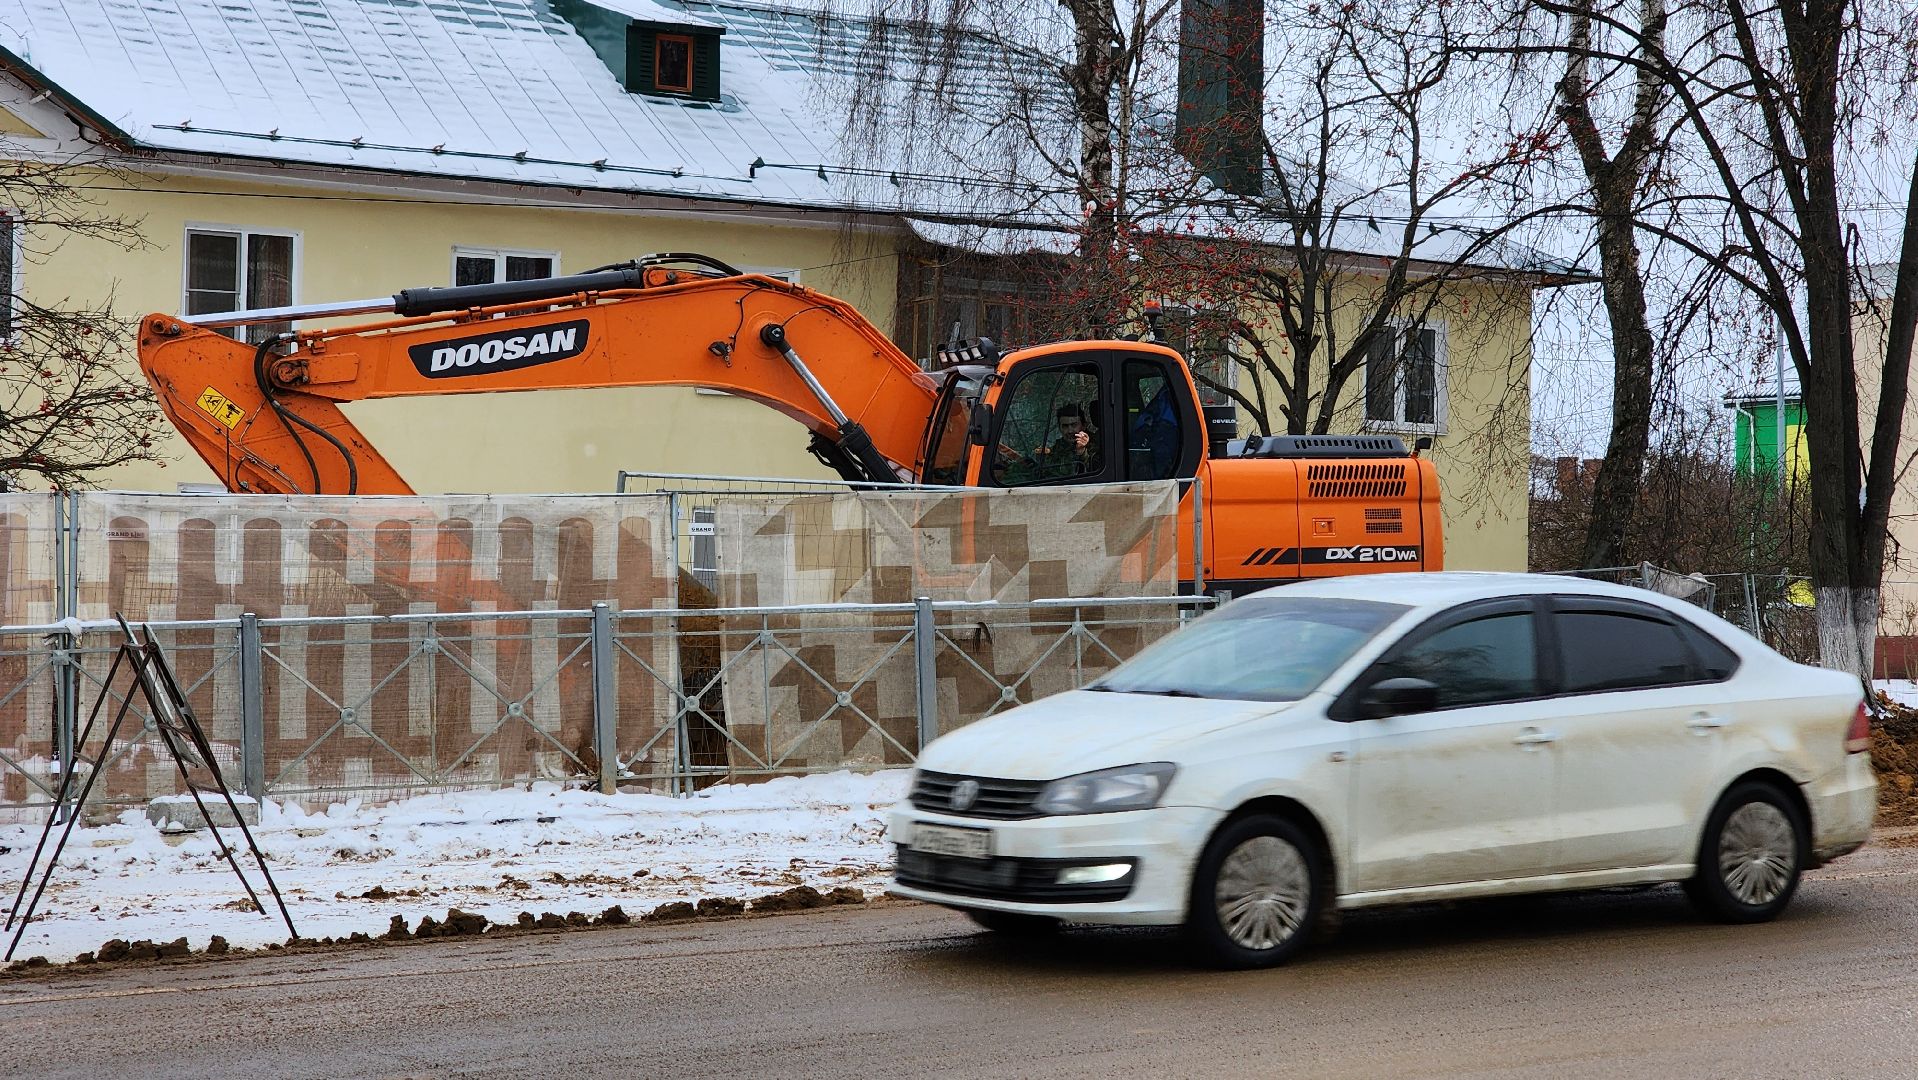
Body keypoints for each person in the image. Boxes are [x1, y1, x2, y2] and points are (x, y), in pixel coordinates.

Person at [1041, 402, 1100, 477]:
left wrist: (1082, 452)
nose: (1070, 431)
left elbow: (1094, 474)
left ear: (1084, 426)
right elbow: (1049, 472)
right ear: (1060, 428)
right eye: (1065, 426)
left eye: (1074, 425)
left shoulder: (1096, 444)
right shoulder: (1059, 446)